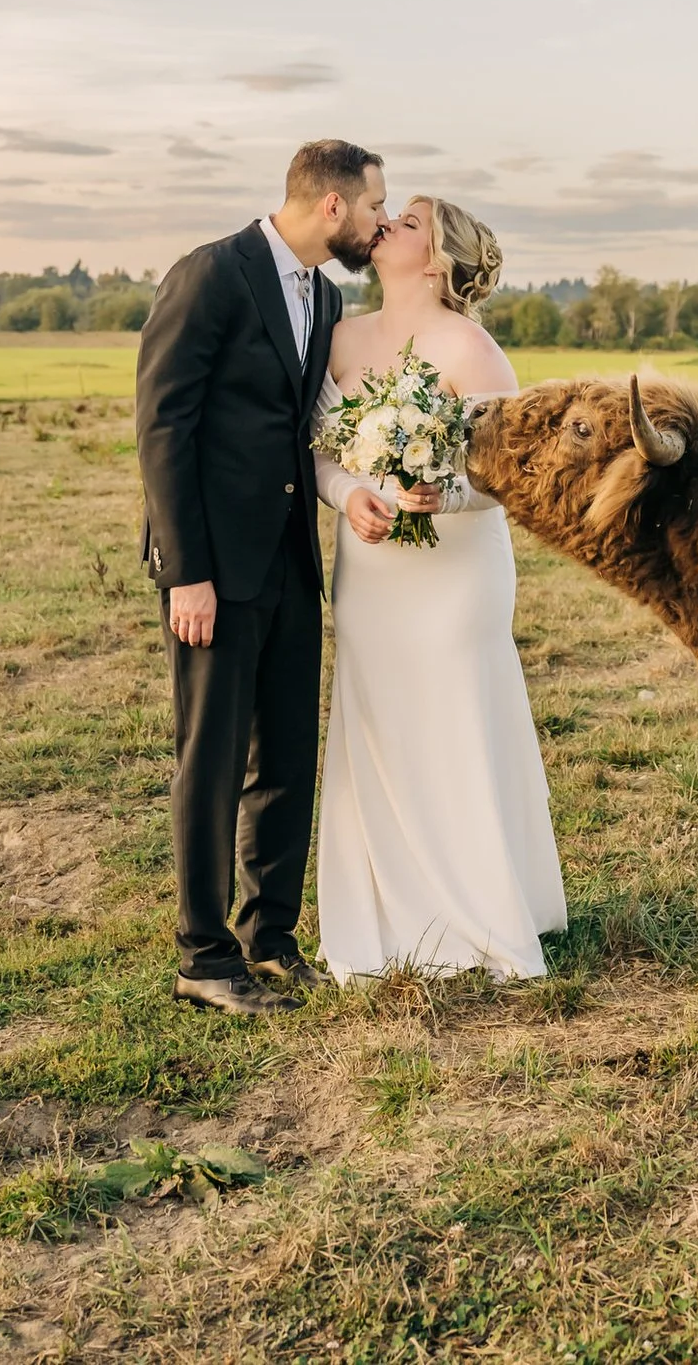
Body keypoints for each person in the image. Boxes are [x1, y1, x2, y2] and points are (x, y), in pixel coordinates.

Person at [133, 140, 438, 1016]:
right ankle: (204, 954)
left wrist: (356, 495)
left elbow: (305, 428)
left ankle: (271, 940)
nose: (383, 221)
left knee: (286, 761)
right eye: (376, 205)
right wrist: (186, 573)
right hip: (213, 573)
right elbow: (163, 427)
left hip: (290, 563)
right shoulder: (211, 276)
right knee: (215, 755)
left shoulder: (325, 293)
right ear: (334, 206)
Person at [311, 194, 567, 981]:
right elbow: (319, 453)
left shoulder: (472, 348)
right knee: (377, 729)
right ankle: (383, 918)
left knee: (452, 724)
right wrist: (347, 495)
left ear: (436, 261)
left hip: (455, 577)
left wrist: (441, 496)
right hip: (371, 569)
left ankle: (479, 914)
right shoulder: (341, 337)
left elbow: (507, 475)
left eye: (410, 220)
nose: (387, 223)